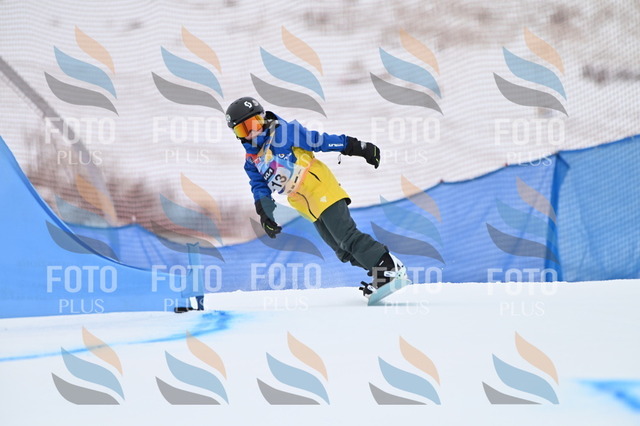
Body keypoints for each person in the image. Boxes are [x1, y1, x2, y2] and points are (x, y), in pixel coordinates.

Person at [225, 97, 406, 297]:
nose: (251, 132)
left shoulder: (284, 132)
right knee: (342, 250)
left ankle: (389, 268)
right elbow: (259, 186)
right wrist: (265, 213)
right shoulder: (252, 160)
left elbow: (319, 141)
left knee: (347, 237)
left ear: (263, 118)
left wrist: (357, 147)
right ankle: (380, 273)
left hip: (321, 189)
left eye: (254, 123)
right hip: (306, 205)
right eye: (242, 130)